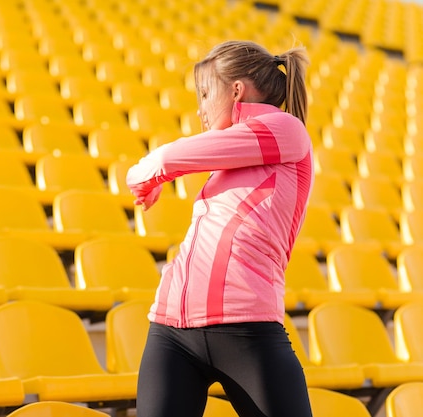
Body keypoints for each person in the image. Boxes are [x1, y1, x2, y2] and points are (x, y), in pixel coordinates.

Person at [126, 40, 314, 417]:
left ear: (237, 90)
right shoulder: (231, 155)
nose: (200, 109)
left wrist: (148, 178)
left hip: (246, 329)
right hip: (171, 330)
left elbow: (162, 159)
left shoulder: (285, 129)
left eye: (205, 94)